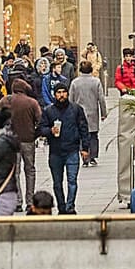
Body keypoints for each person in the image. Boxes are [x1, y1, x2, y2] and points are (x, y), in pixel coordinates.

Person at [40, 79, 93, 213]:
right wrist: (50, 131)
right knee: (57, 183)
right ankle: (61, 206)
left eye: (64, 92)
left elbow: (83, 129)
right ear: (55, 94)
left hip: (72, 150)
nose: (62, 95)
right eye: (59, 92)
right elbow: (41, 129)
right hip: (55, 152)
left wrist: (85, 148)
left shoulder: (76, 109)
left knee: (72, 181)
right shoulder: (48, 111)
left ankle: (70, 206)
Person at [3, 77, 43, 211]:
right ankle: (30, 201)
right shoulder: (32, 102)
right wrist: (34, 133)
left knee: (15, 172)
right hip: (28, 140)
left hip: (12, 141)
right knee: (30, 170)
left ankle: (17, 201)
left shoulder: (6, 101)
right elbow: (40, 120)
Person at [68, 61, 107, 167]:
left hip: (78, 112)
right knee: (93, 135)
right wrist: (104, 113)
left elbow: (70, 99)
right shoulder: (96, 82)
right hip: (93, 112)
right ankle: (93, 156)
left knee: (81, 135)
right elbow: (101, 99)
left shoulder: (75, 83)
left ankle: (84, 157)